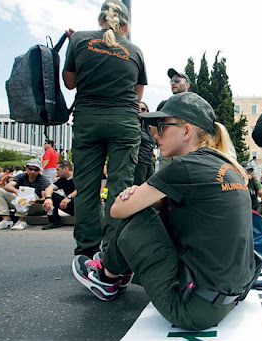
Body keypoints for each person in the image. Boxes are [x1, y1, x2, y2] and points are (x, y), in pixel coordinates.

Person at [72, 92, 260, 330]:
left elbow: (118, 210)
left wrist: (135, 196)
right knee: (159, 207)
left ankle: (107, 277)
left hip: (191, 309)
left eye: (162, 126)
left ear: (186, 130)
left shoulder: (185, 166)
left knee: (138, 214)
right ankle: (115, 267)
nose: (155, 134)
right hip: (228, 297)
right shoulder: (227, 166)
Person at [63, 0, 147, 257]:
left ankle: (86, 251)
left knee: (87, 188)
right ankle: (112, 252)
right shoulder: (134, 50)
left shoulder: (79, 40)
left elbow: (69, 83)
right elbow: (137, 94)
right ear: (126, 25)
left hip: (88, 120)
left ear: (100, 20)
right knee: (119, 187)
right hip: (123, 122)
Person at [0, 159, 49, 230]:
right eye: (30, 169)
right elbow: (8, 186)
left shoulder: (42, 179)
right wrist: (16, 191)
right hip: (20, 202)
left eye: (36, 170)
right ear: (26, 168)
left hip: (36, 205)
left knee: (26, 192)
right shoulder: (21, 176)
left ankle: (22, 220)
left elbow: (44, 198)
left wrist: (36, 200)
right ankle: (6, 220)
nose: (33, 172)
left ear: (39, 171)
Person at [43, 160, 76, 230]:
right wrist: (48, 198)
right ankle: (55, 221)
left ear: (66, 169)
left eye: (58, 170)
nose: (56, 172)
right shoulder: (62, 180)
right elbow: (50, 188)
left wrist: (68, 197)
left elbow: (81, 189)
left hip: (81, 205)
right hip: (70, 206)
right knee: (53, 195)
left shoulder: (78, 178)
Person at [133, 101, 156, 185]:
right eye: (138, 109)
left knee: (152, 185)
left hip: (149, 160)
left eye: (143, 109)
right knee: (139, 185)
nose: (140, 111)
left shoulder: (149, 128)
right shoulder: (134, 126)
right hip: (139, 160)